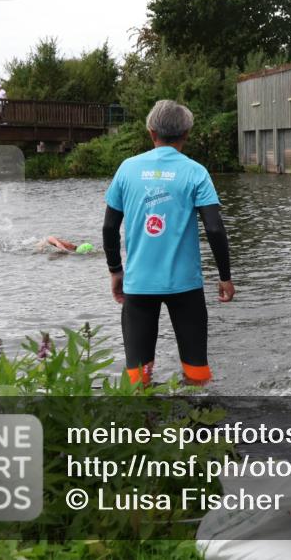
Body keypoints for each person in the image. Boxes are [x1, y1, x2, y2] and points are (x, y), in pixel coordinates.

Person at [103, 99, 234, 387]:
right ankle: (201, 429)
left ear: (151, 132)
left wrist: (116, 270)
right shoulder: (196, 172)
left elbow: (110, 226)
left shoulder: (127, 169)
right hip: (185, 286)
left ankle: (143, 429)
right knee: (197, 373)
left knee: (139, 379)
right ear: (186, 134)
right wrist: (225, 277)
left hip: (138, 285)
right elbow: (214, 228)